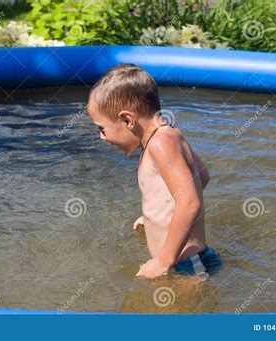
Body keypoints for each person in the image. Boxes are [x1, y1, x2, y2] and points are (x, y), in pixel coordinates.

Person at [87, 63, 221, 279]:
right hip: (190, 259)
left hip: (186, 264)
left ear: (128, 120)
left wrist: (163, 260)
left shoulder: (160, 144)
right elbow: (202, 175)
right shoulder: (170, 135)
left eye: (101, 128)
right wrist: (157, 214)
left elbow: (190, 202)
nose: (102, 137)